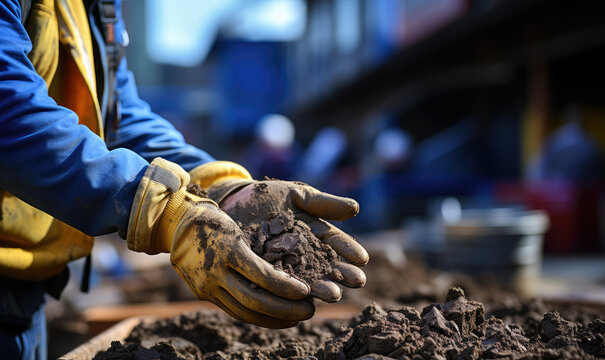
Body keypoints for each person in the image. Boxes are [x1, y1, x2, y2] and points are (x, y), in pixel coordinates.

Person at [0, 0, 369, 358]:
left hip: (27, 287)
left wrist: (222, 188)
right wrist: (162, 210)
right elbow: (8, 108)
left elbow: (119, 118)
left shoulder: (95, 7)